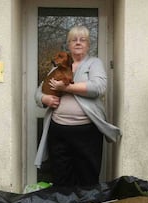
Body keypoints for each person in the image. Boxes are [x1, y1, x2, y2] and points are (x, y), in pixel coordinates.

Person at [34, 25, 121, 187]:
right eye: (74, 40)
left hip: (86, 131)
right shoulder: (58, 67)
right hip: (58, 130)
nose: (78, 43)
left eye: (83, 40)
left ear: (88, 45)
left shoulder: (94, 63)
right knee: (61, 175)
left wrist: (65, 88)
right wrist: (45, 99)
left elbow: (98, 87)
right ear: (68, 45)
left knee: (87, 175)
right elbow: (38, 93)